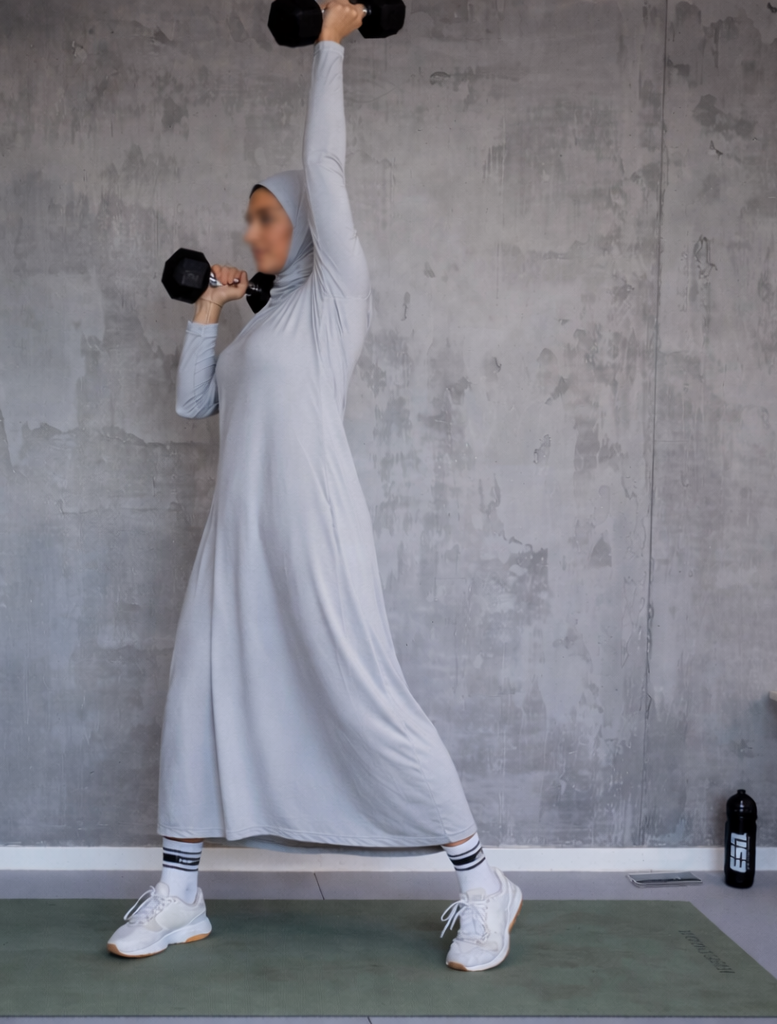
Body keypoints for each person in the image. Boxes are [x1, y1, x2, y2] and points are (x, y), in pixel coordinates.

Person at [106, 1, 522, 972]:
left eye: (265, 214)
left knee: (368, 698)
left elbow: (325, 168)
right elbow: (193, 404)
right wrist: (208, 312)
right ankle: (178, 891)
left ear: (300, 224)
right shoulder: (260, 326)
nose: (250, 229)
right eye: (248, 215)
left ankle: (481, 882)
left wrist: (330, 44)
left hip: (315, 530)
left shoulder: (335, 300)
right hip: (236, 538)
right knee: (194, 697)